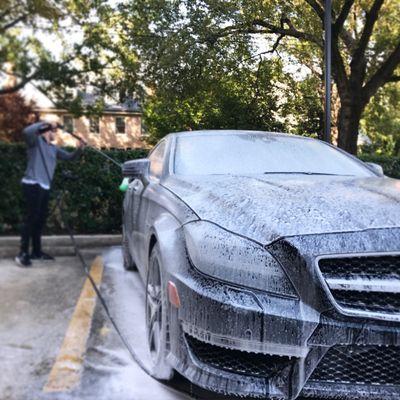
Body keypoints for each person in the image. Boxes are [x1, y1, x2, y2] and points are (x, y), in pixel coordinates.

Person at [15, 121, 86, 267]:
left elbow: (69, 157)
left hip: (45, 187)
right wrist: (46, 123)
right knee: (31, 219)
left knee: (39, 221)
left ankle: (36, 252)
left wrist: (79, 149)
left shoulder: (54, 149)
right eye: (53, 131)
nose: (56, 133)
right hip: (32, 184)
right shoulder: (35, 143)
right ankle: (22, 253)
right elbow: (27, 131)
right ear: (46, 132)